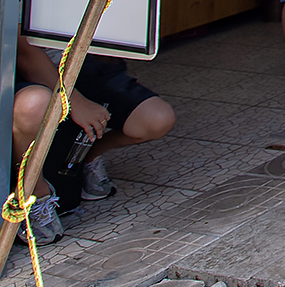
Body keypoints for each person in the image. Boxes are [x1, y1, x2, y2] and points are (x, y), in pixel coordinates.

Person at [10, 36, 177, 243]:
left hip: (81, 62)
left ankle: (87, 156)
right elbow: (25, 53)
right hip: (31, 70)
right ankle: (34, 193)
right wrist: (75, 102)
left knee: (157, 119)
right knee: (35, 105)